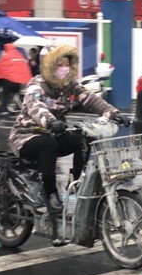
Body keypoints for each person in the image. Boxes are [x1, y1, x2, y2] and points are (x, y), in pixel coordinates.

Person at [8, 44, 130, 218]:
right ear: (48, 65)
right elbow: (36, 107)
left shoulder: (70, 85)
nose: (64, 68)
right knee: (47, 143)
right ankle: (51, 194)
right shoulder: (36, 85)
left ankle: (75, 186)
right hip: (26, 137)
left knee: (82, 140)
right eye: (59, 64)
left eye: (66, 64)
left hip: (53, 133)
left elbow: (91, 100)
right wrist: (51, 122)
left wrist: (114, 114)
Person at [0, 43, 32, 115]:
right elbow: (25, 67)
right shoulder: (19, 56)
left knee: (5, 94)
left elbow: (0, 67)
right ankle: (19, 108)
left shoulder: (6, 56)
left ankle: (3, 109)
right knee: (15, 94)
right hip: (18, 81)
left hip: (9, 80)